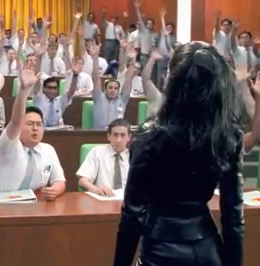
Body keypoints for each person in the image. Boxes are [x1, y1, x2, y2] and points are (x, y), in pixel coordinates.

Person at [113, 41, 244, 266]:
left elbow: (133, 216)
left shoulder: (149, 136)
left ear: (171, 81)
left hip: (159, 249)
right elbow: (233, 216)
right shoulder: (226, 136)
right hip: (207, 247)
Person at [0, 65, 66, 200]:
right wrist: (24, 90)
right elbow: (15, 121)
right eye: (30, 124)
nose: (35, 128)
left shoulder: (48, 150)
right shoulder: (8, 145)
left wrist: (55, 190)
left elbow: (59, 181)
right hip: (0, 207)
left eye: (39, 124)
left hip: (34, 207)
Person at [77, 119, 131, 195]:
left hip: (128, 201)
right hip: (103, 199)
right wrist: (95, 189)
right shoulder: (97, 152)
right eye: (115, 135)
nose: (119, 140)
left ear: (129, 137)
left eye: (123, 135)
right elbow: (82, 181)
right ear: (109, 136)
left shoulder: (134, 155)